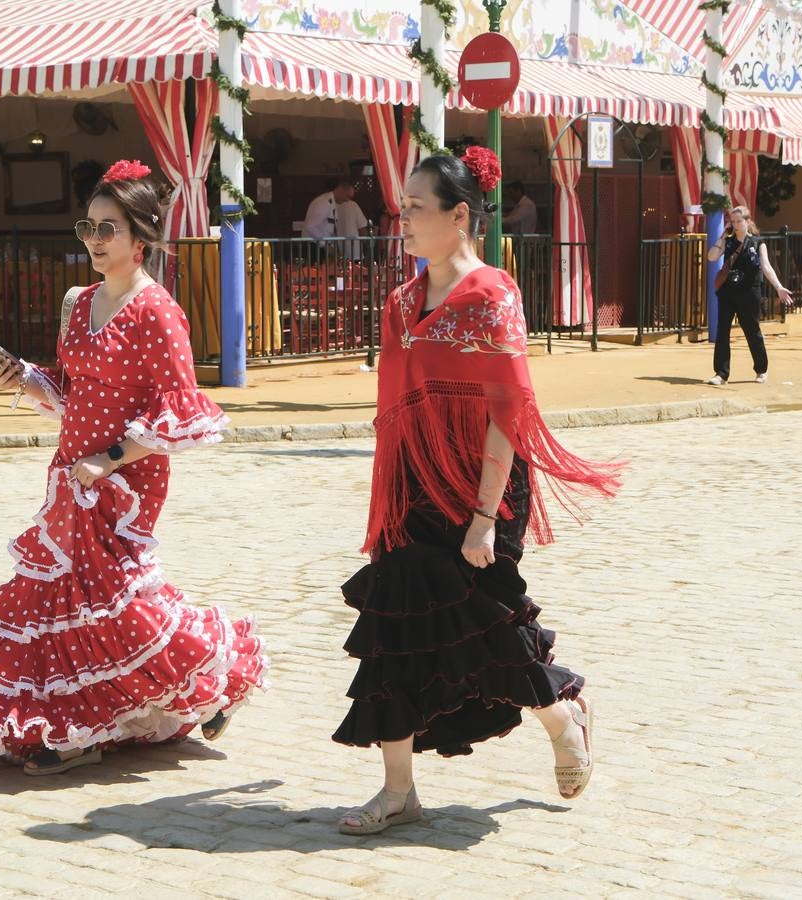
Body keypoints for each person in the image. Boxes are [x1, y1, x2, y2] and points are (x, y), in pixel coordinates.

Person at [0, 160, 269, 774]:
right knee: (66, 601)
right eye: (88, 227)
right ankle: (84, 719)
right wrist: (24, 378)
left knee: (112, 599)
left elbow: (179, 415)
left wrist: (111, 459)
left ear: (141, 236)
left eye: (109, 229)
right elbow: (76, 391)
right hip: (72, 467)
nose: (95, 242)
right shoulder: (80, 302)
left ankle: (208, 669)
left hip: (126, 477)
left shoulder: (158, 312)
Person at [333, 148, 623, 836]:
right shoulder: (401, 303)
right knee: (392, 631)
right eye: (400, 207)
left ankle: (561, 713)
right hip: (413, 491)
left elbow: (505, 411)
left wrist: (485, 518)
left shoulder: (493, 293)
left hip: (481, 489)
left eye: (416, 208)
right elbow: (394, 414)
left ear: (459, 216)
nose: (401, 219)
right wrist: (388, 508)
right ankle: (398, 790)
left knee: (486, 626)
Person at [704, 206, 794, 385]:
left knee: (752, 331)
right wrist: (722, 236)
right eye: (733, 221)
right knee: (722, 331)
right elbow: (712, 257)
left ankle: (761, 370)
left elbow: (766, 267)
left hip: (749, 292)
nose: (736, 225)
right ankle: (721, 374)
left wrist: (778, 287)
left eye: (739, 221)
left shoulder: (758, 243)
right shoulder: (728, 242)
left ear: (747, 222)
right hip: (728, 292)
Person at [302, 178, 354, 243]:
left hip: (321, 245)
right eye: (348, 196)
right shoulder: (324, 202)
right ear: (340, 190)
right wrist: (325, 244)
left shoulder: (332, 202)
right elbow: (310, 227)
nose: (347, 200)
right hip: (313, 246)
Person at [336, 186, 371, 261]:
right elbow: (362, 229)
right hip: (354, 252)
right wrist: (368, 246)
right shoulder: (353, 205)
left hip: (337, 251)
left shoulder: (330, 205)